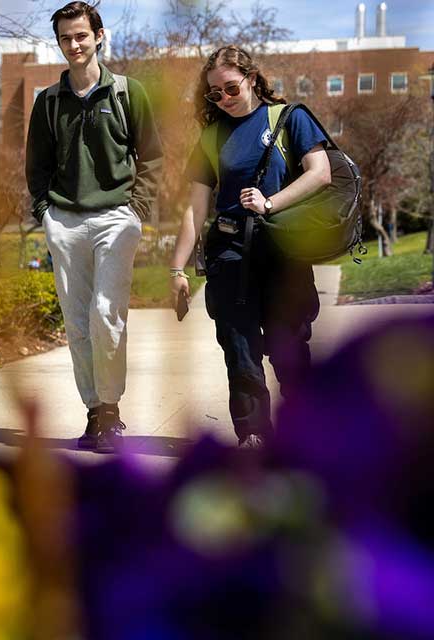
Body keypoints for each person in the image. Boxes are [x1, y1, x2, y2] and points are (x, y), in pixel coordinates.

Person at [169, 45, 332, 448]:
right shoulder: (212, 137)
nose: (223, 98)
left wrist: (270, 202)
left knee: (289, 345)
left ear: (252, 78)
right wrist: (177, 269)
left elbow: (321, 173)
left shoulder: (289, 118)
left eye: (230, 88)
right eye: (214, 94)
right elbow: (195, 209)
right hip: (230, 254)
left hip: (282, 252)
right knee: (239, 348)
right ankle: (254, 434)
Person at [26, 1, 163, 453]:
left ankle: (111, 410)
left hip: (114, 219)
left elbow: (153, 157)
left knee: (106, 316)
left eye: (81, 35)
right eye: (66, 38)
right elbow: (37, 168)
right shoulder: (48, 102)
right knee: (78, 323)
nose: (74, 44)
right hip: (64, 221)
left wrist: (136, 210)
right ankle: (95, 414)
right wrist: (46, 212)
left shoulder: (127, 92)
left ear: (99, 36)